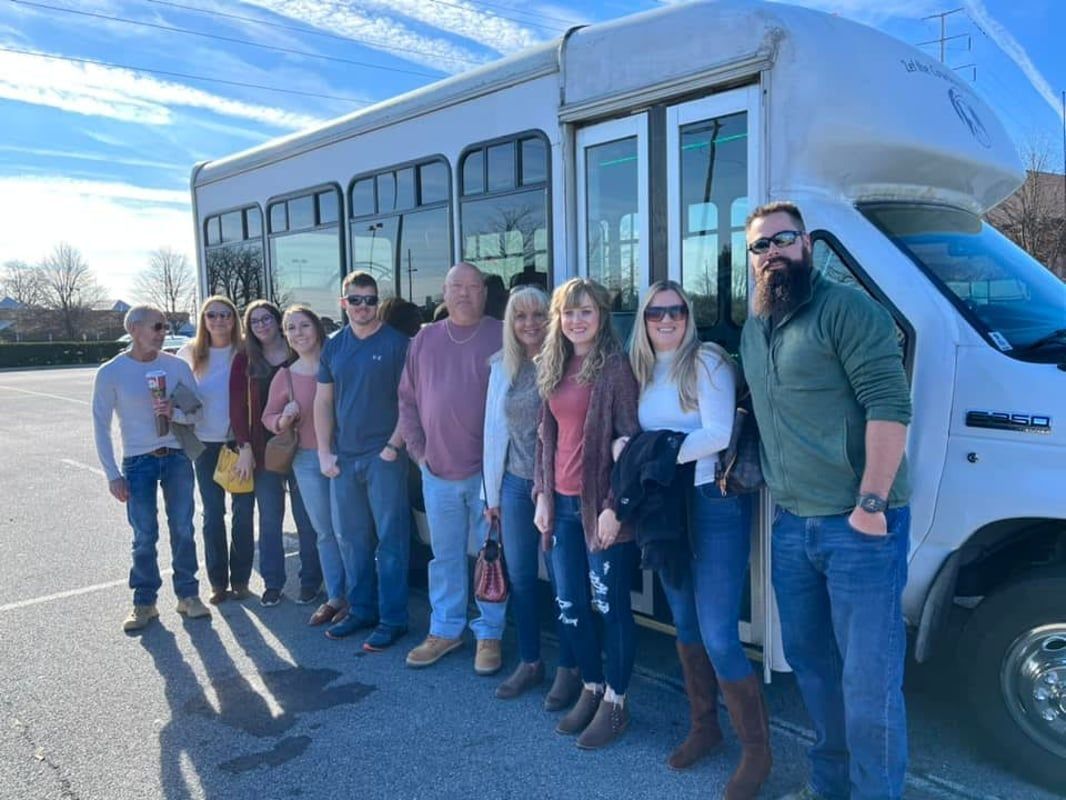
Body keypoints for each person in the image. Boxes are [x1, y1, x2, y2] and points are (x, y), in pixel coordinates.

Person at [740, 201, 912, 800]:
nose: (771, 254)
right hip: (792, 527)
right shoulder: (754, 326)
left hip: (858, 526)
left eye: (782, 240)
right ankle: (829, 785)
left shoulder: (847, 310)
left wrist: (871, 505)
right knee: (813, 670)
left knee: (869, 683)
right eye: (760, 246)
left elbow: (890, 406)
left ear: (807, 244)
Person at [629, 280, 769, 795]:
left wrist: (649, 453)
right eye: (656, 312)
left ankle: (757, 751)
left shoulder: (707, 360)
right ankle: (705, 728)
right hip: (667, 507)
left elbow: (719, 434)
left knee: (717, 633)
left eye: (677, 311)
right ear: (643, 321)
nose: (667, 320)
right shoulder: (643, 369)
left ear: (690, 316)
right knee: (683, 623)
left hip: (713, 503)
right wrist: (640, 449)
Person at [532, 278, 641, 750]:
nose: (577, 321)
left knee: (612, 608)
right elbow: (544, 439)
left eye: (587, 312)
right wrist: (542, 496)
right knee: (570, 605)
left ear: (601, 317)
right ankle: (592, 686)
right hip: (561, 506)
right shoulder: (553, 366)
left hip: (600, 510)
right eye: (569, 312)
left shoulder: (615, 369)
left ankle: (617, 702)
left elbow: (631, 443)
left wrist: (615, 508)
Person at [398, 262, 505, 674]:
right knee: (444, 558)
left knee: (490, 558)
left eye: (473, 286)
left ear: (484, 292)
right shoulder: (423, 340)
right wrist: (418, 450)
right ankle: (445, 629)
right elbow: (406, 400)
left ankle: (490, 633)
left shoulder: (502, 334)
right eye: (455, 286)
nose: (464, 294)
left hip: (488, 475)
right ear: (444, 293)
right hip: (437, 471)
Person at [482, 287, 580, 705]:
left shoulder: (567, 363)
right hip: (515, 485)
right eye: (520, 317)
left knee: (564, 581)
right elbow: (491, 433)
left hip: (557, 485)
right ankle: (531, 660)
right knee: (521, 579)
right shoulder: (502, 366)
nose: (530, 324)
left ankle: (572, 667)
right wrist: (491, 495)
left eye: (539, 315)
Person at [92, 304, 211, 631]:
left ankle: (188, 596)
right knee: (144, 535)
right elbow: (100, 426)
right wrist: (112, 474)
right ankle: (144, 603)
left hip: (176, 456)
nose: (163, 333)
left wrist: (174, 411)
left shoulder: (175, 367)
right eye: (157, 327)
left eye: (164, 326)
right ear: (134, 330)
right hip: (137, 462)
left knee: (183, 529)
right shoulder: (111, 372)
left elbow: (197, 412)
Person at [315, 272, 411, 651]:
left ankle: (393, 619)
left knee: (390, 541)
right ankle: (362, 610)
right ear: (343, 303)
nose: (363, 307)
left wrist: (393, 446)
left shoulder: (397, 344)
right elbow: (322, 402)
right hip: (344, 459)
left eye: (370, 300)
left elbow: (410, 400)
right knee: (353, 540)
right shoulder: (334, 347)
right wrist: (324, 451)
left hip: (383, 456)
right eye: (355, 300)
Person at [230, 300, 322, 608]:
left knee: (307, 518)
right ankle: (273, 582)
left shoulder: (298, 352)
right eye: (254, 321)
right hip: (265, 449)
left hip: (303, 446)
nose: (261, 325)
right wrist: (244, 447)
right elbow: (237, 409)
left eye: (266, 318)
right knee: (270, 518)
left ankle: (310, 581)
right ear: (249, 327)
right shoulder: (245, 360)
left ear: (277, 320)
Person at [261, 305, 348, 628]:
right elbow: (268, 417)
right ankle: (336, 595)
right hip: (307, 461)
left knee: (348, 530)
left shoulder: (339, 363)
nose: (298, 333)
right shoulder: (285, 375)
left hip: (343, 456)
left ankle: (359, 595)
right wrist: (283, 418)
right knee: (325, 532)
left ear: (318, 328)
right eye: (291, 328)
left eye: (304, 325)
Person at [178, 296, 254, 605]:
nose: (219, 320)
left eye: (226, 314)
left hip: (239, 444)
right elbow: (176, 395)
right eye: (212, 315)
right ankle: (218, 583)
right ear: (203, 319)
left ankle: (241, 580)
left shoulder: (246, 351)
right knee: (212, 514)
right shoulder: (190, 353)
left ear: (234, 319)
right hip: (204, 446)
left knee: (244, 512)